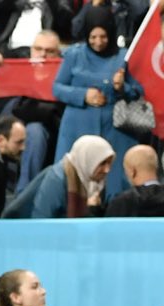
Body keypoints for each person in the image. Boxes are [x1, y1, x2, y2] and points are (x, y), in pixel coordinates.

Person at [49, 6, 135, 199]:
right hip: (77, 127)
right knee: (71, 185)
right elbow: (57, 88)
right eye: (93, 37)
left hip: (115, 130)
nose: (98, 42)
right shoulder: (74, 54)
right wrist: (83, 95)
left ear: (111, 33)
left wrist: (121, 87)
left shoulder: (124, 56)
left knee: (116, 187)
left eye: (103, 37)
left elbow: (137, 91)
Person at [5, 132, 115, 218]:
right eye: (102, 163)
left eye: (110, 163)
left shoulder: (96, 181)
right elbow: (41, 219)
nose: (107, 170)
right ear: (88, 159)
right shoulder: (57, 178)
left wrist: (94, 208)